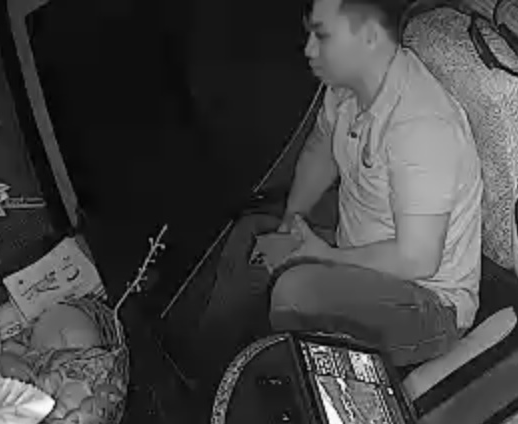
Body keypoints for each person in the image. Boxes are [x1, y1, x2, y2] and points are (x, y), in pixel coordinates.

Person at [198, 0, 482, 374]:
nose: (309, 50)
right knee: (254, 236)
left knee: (296, 294)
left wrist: (324, 256)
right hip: (358, 251)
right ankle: (208, 373)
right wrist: (291, 222)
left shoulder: (421, 127)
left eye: (322, 36)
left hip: (429, 304)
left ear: (369, 38)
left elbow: (418, 259)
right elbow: (321, 149)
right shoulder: (350, 85)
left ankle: (280, 386)